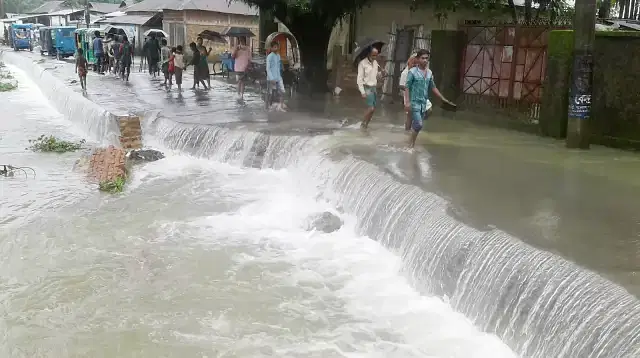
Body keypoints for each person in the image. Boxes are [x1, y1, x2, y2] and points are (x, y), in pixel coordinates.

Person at [404, 49, 455, 148]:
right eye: (422, 58)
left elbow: (433, 87)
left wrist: (443, 98)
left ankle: (410, 144)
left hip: (424, 102)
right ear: (418, 59)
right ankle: (410, 145)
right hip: (414, 102)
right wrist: (407, 102)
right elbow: (407, 87)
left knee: (418, 125)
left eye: (427, 58)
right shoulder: (412, 72)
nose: (425, 60)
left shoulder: (429, 73)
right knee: (418, 124)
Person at [357, 47, 385, 129]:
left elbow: (376, 76)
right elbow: (359, 79)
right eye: (373, 55)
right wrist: (362, 91)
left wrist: (382, 73)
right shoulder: (362, 64)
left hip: (374, 88)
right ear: (369, 54)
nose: (375, 57)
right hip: (367, 87)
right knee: (371, 108)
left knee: (373, 109)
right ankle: (362, 124)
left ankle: (366, 125)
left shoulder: (375, 63)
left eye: (376, 55)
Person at [266, 41, 286, 111]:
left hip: (278, 77)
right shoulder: (269, 57)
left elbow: (279, 64)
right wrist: (271, 78)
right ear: (271, 48)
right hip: (271, 78)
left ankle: (280, 106)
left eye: (277, 47)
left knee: (282, 91)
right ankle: (268, 106)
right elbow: (268, 69)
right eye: (274, 47)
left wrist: (282, 67)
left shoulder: (278, 55)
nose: (276, 48)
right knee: (270, 93)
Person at [233, 37, 251, 102]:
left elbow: (249, 58)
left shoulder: (248, 48)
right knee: (239, 81)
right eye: (240, 40)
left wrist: (248, 66)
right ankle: (238, 94)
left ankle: (242, 95)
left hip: (245, 67)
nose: (241, 41)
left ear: (244, 41)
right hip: (238, 67)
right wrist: (236, 50)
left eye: (242, 40)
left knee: (243, 82)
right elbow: (233, 57)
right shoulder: (236, 48)